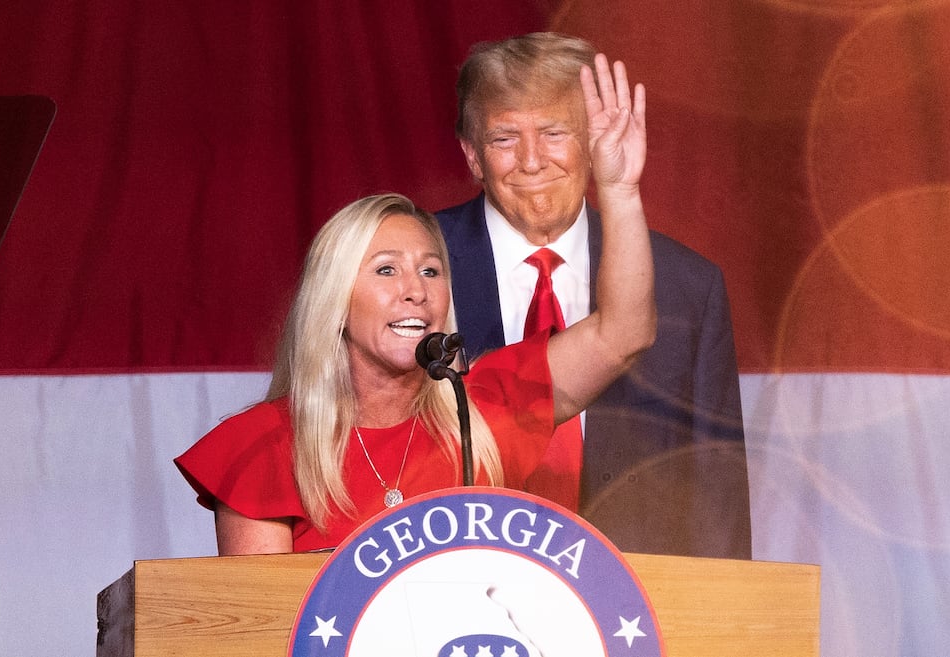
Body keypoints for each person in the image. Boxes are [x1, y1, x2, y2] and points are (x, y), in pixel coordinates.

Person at [175, 57, 653, 554]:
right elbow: (259, 628)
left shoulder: (483, 410)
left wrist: (620, 190)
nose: (415, 290)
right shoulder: (265, 445)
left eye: (430, 270)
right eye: (386, 270)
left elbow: (622, 335)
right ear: (333, 300)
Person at [437, 32, 751, 559]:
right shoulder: (408, 271)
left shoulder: (686, 288)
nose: (532, 162)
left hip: (632, 614)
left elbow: (716, 498)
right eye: (505, 139)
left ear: (593, 138)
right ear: (472, 155)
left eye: (555, 132)